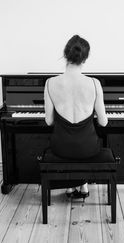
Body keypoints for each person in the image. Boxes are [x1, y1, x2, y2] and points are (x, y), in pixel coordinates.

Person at [44, 35, 108, 199]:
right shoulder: (94, 83)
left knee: (69, 144)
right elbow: (103, 122)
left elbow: (49, 121)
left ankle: (72, 185)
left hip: (60, 147)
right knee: (82, 144)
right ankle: (81, 184)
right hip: (88, 147)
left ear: (66, 55)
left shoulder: (50, 83)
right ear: (85, 58)